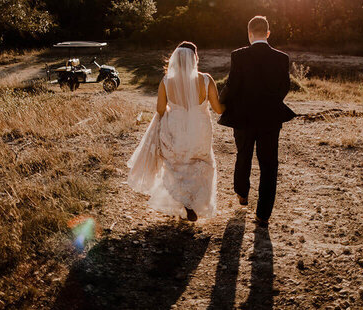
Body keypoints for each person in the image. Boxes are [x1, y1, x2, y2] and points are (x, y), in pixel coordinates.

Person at [127, 41, 224, 221]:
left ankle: (186, 203)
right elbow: (218, 109)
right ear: (195, 58)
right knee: (202, 163)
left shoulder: (166, 81)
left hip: (176, 128)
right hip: (200, 129)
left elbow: (160, 109)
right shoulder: (206, 80)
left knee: (177, 164)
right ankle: (195, 202)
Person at [218, 16, 296, 226]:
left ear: (249, 33)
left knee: (243, 155)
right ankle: (263, 214)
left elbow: (232, 85)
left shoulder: (239, 56)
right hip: (270, 118)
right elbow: (285, 86)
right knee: (269, 164)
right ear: (268, 33)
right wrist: (272, 102)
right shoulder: (282, 58)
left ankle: (242, 193)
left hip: (243, 117)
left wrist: (220, 101)